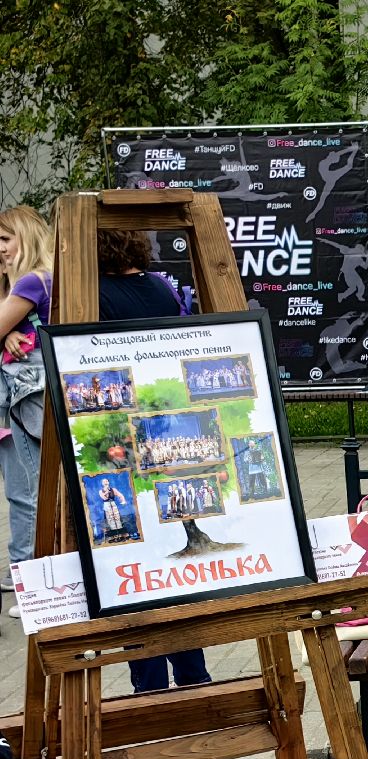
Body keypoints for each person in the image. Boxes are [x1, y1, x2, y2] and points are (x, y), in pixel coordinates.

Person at [97, 228, 212, 695]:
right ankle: (194, 676)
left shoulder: (95, 293)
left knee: (135, 565)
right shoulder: (162, 286)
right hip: (168, 431)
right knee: (174, 568)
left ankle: (149, 687)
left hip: (121, 438)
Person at [0, 205, 52, 616]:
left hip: (26, 399)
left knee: (28, 495)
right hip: (21, 399)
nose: (0, 249)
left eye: (5, 239)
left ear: (26, 236)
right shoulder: (26, 282)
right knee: (25, 494)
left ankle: (36, 589)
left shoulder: (34, 281)